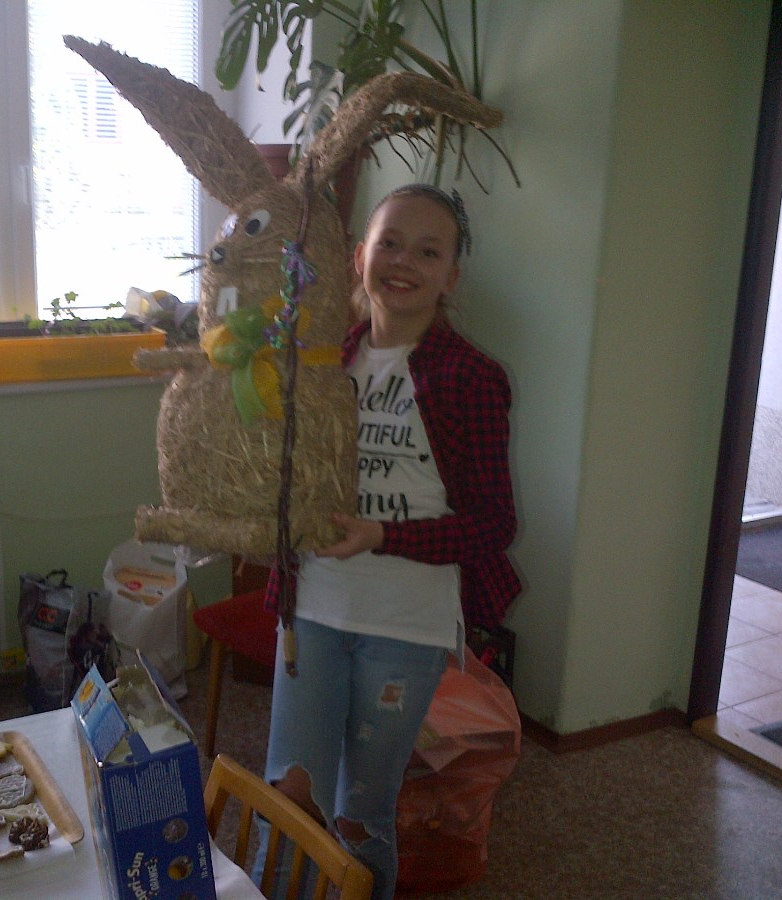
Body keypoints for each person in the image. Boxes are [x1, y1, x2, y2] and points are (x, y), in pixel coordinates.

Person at [257, 183, 521, 899]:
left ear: (450, 276)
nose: (404, 262)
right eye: (391, 244)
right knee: (289, 798)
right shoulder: (322, 361)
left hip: (405, 625)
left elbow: (495, 523)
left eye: (428, 252)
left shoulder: (471, 377)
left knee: (361, 815)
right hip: (313, 607)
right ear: (359, 257)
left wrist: (382, 534)